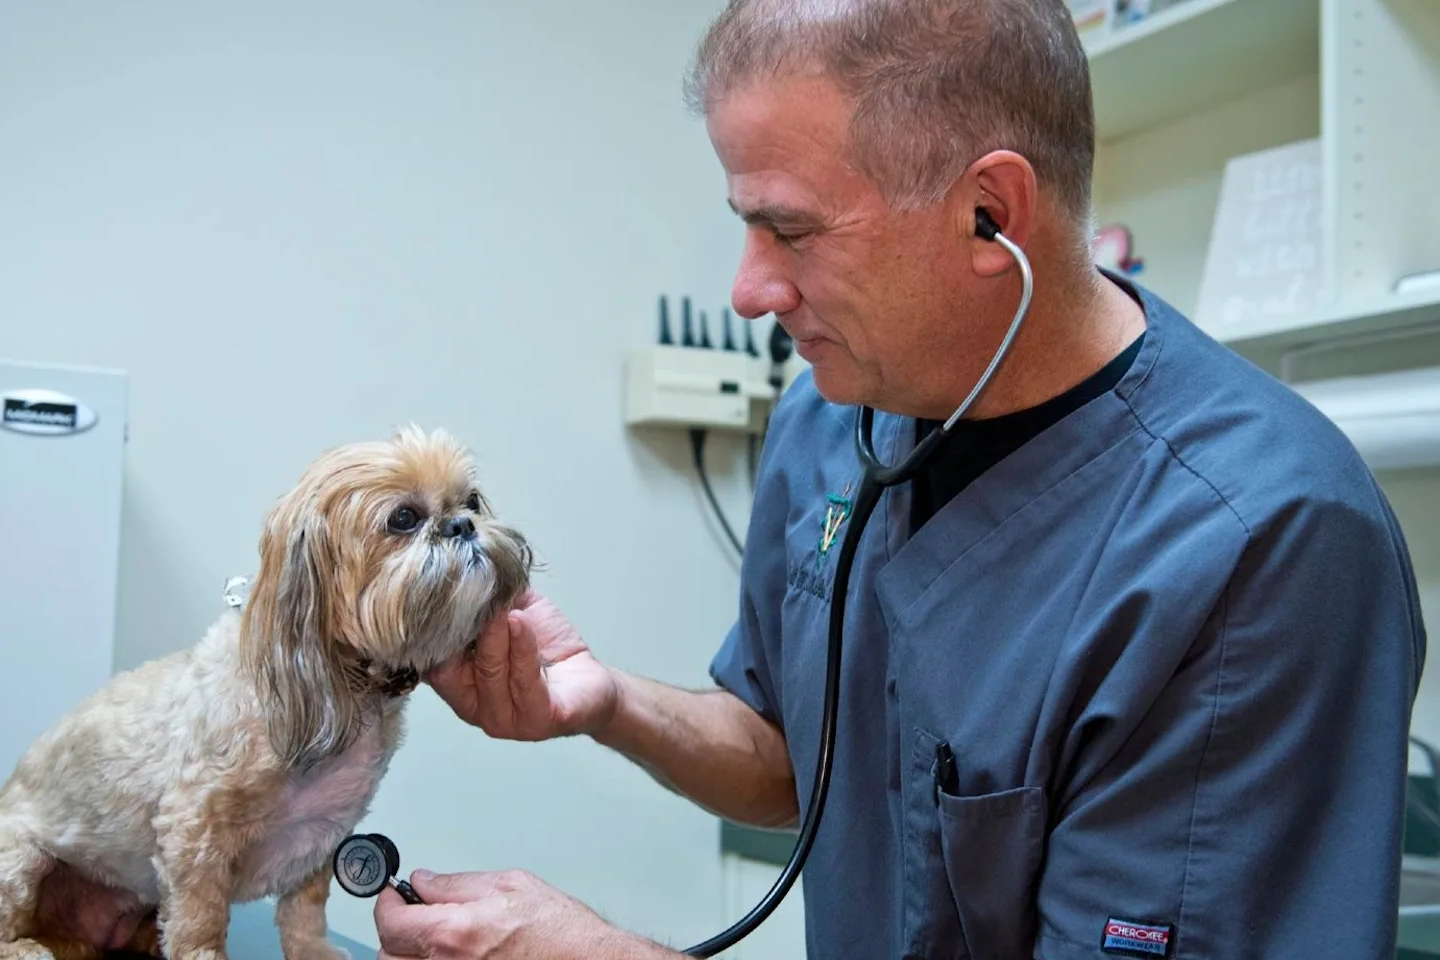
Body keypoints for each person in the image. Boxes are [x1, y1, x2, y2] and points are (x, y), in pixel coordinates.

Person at [372, 0, 1428, 957]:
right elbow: (794, 761)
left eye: (788, 229)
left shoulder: (1259, 545)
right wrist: (608, 704)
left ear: (991, 216)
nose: (746, 290)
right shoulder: (830, 419)